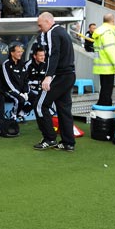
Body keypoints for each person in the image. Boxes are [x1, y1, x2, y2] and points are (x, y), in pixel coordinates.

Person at [34, 12, 76, 151]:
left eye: (40, 25)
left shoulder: (52, 33)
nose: (40, 28)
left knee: (40, 105)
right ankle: (68, 142)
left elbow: (53, 54)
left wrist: (48, 76)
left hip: (60, 75)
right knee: (64, 109)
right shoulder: (63, 31)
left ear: (48, 22)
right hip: (69, 75)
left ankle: (49, 138)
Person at [92, 13, 115, 106]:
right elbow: (111, 50)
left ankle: (103, 107)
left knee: (104, 89)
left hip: (102, 65)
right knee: (107, 91)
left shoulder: (100, 32)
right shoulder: (108, 32)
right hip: (108, 66)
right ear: (112, 21)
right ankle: (104, 112)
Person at [1, 45, 30, 122]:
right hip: (9, 90)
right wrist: (19, 93)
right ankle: (13, 116)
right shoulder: (6, 64)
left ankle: (21, 113)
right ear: (12, 53)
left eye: (21, 52)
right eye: (18, 52)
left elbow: (26, 79)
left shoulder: (22, 64)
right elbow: (8, 81)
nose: (20, 53)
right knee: (20, 100)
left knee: (36, 99)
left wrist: (26, 92)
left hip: (22, 91)